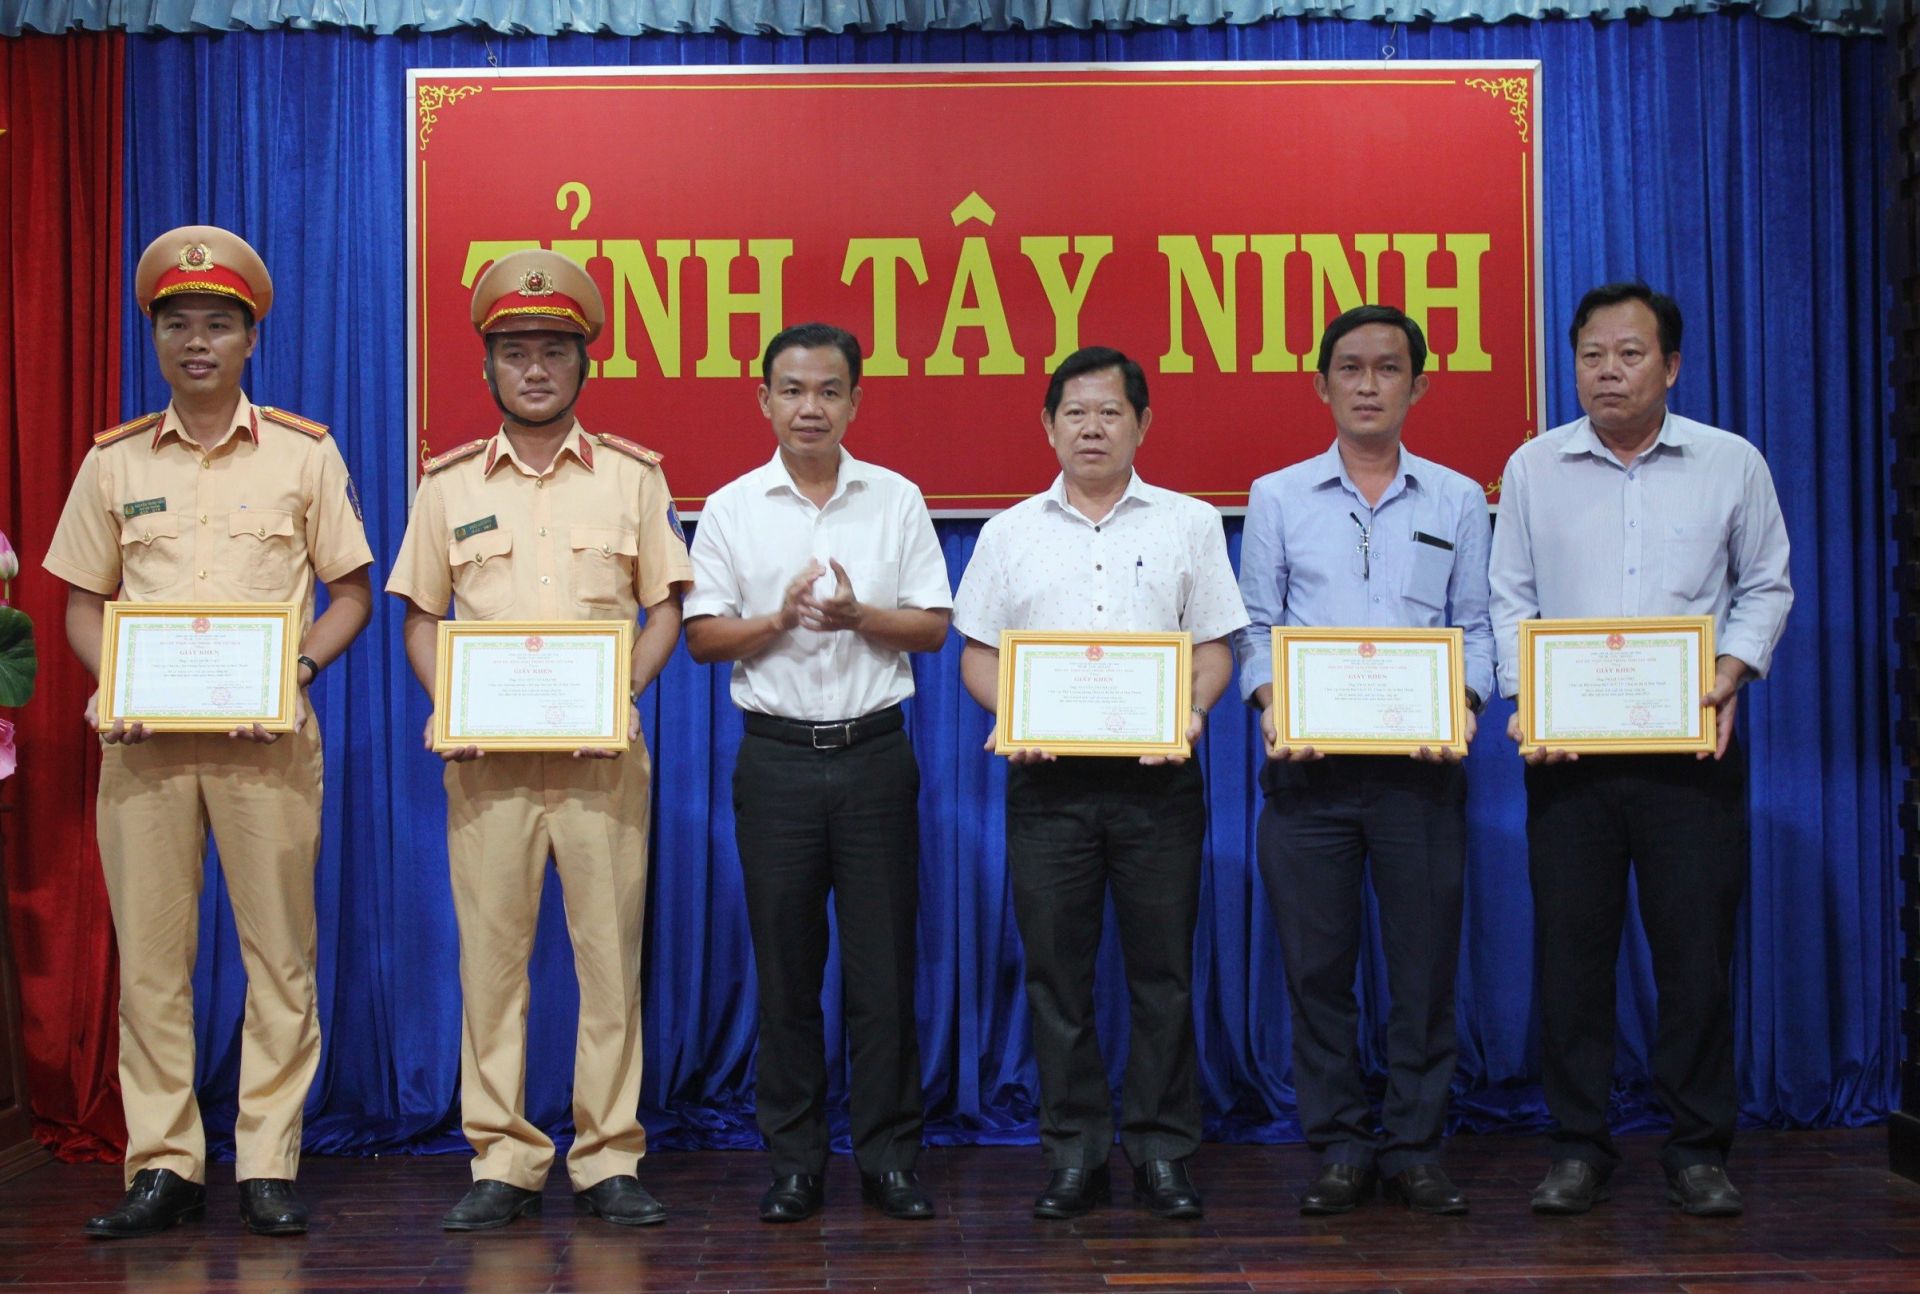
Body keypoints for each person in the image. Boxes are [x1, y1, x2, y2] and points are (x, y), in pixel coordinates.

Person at [44, 225, 374, 1238]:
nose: (197, 342)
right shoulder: (112, 462)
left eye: (218, 325)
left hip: (265, 746)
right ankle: (165, 1164)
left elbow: (353, 594)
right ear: (155, 337)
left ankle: (268, 1162)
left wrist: (297, 669)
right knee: (151, 962)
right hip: (144, 746)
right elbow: (82, 605)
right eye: (177, 324)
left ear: (250, 339)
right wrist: (117, 679)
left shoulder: (304, 454)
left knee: (279, 956)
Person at [387, 249, 691, 1231]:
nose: (535, 368)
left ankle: (608, 1157)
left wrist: (620, 691)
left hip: (603, 766)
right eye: (515, 350)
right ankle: (504, 1158)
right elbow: (420, 619)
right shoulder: (444, 487)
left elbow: (664, 612)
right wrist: (451, 702)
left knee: (609, 963)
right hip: (490, 770)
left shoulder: (634, 478)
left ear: (584, 362)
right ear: (486, 365)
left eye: (555, 350)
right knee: (492, 966)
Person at [1489, 281, 1793, 1218]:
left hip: (1690, 755)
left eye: (1629, 354)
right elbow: (1510, 597)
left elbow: (1767, 585)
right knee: (1572, 962)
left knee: (1695, 961)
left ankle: (1697, 1150)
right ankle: (1578, 1148)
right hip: (1568, 762)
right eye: (1591, 356)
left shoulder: (1730, 463)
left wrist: (1731, 672)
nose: (1608, 371)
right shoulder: (1534, 467)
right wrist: (1529, 701)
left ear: (1672, 365)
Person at [953, 346, 1247, 1220]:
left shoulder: (1190, 523)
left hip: (1159, 784)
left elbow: (1215, 648)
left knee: (1164, 976)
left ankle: (1162, 1151)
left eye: (1110, 412)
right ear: (1049, 426)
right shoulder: (1009, 533)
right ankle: (1074, 1154)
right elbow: (977, 657)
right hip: (1048, 788)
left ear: (1142, 424)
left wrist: (1190, 714)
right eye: (1075, 413)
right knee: (1056, 976)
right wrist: (1013, 715)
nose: (1092, 428)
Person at [684, 323, 951, 1223]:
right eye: (793, 390)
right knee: (787, 972)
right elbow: (701, 638)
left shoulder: (896, 499)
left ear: (855, 402)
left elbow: (932, 626)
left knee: (883, 973)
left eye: (829, 391)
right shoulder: (730, 508)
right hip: (778, 764)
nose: (810, 407)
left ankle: (889, 1160)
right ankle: (795, 1163)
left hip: (875, 756)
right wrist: (780, 619)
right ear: (764, 400)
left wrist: (858, 616)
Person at [1235, 305, 1493, 1216]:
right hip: (1308, 773)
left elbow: (1477, 630)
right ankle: (1341, 1145)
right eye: (1350, 368)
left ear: (1418, 385)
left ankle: (1415, 1147)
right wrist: (1273, 704)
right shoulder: (1277, 497)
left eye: (1388, 368)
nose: (1369, 384)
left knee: (1423, 973)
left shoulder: (1458, 498)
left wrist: (1463, 705)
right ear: (1322, 384)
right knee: (1317, 972)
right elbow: (1255, 628)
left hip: (1422, 770)